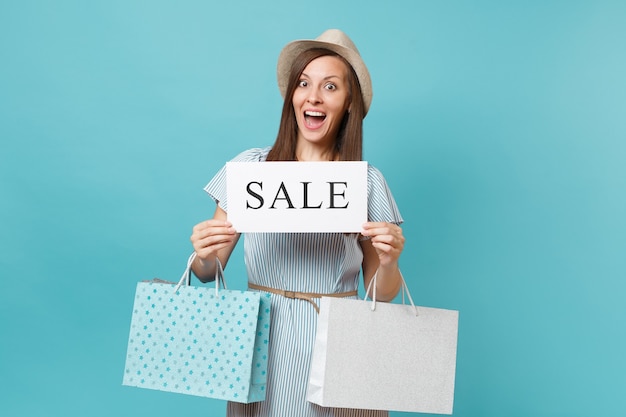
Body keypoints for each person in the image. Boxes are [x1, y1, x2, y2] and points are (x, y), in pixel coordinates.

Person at [190, 29, 405, 417]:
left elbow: (382, 294)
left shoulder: (366, 181)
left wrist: (389, 262)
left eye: (330, 86)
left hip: (340, 342)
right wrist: (202, 253)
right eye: (304, 83)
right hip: (259, 341)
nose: (314, 96)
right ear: (292, 96)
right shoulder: (250, 168)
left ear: (349, 102)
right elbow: (209, 271)